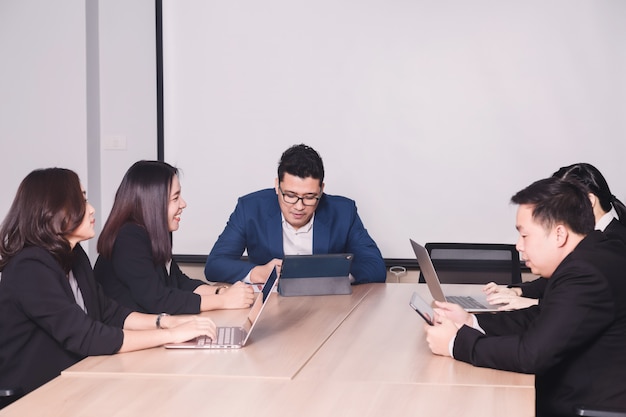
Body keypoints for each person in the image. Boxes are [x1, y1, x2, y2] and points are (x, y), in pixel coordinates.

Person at [0, 168, 217, 397]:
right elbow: (86, 336)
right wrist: (171, 336)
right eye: (81, 200)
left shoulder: (74, 255)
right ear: (52, 211)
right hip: (36, 394)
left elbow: (109, 313)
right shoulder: (30, 267)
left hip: (78, 378)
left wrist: (165, 323)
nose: (92, 209)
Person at [424, 177, 626, 416]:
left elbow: (532, 355)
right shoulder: (588, 258)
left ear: (559, 234)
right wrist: (471, 322)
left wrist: (455, 344)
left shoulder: (585, 273)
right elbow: (543, 317)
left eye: (525, 235)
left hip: (581, 406)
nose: (518, 246)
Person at [204, 144, 386, 284]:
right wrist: (259, 272)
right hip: (272, 309)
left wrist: (333, 276)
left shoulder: (343, 211)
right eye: (290, 196)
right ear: (277, 185)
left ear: (321, 190)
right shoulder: (250, 208)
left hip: (328, 308)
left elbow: (375, 266)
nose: (299, 207)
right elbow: (215, 264)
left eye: (309, 197)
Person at [94, 161, 254, 314]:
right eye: (175, 198)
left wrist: (220, 292)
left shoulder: (154, 232)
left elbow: (179, 282)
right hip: (129, 336)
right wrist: (223, 301)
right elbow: (158, 300)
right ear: (152, 203)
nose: (183, 204)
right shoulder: (128, 239)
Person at [484, 162, 626, 310]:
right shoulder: (589, 237)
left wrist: (533, 303)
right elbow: (559, 279)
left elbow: (594, 304)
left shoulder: (615, 244)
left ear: (589, 201)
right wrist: (516, 291)